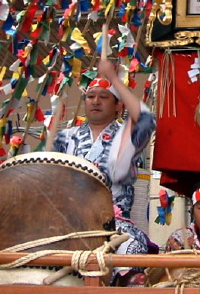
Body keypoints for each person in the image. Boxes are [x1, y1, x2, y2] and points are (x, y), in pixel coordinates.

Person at [53, 59, 156, 218]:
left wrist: (113, 78)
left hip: (116, 223)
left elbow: (146, 120)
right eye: (90, 96)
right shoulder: (66, 137)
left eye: (104, 97)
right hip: (71, 221)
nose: (96, 101)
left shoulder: (127, 136)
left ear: (118, 105)